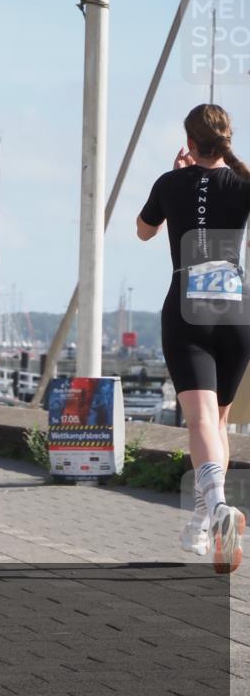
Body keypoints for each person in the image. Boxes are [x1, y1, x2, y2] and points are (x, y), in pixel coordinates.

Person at [137, 103, 250, 573]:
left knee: (201, 419)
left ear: (189, 140)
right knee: (217, 423)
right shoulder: (244, 182)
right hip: (236, 311)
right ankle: (202, 524)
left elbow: (143, 232)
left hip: (187, 309)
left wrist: (179, 178)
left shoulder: (169, 183)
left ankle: (218, 506)